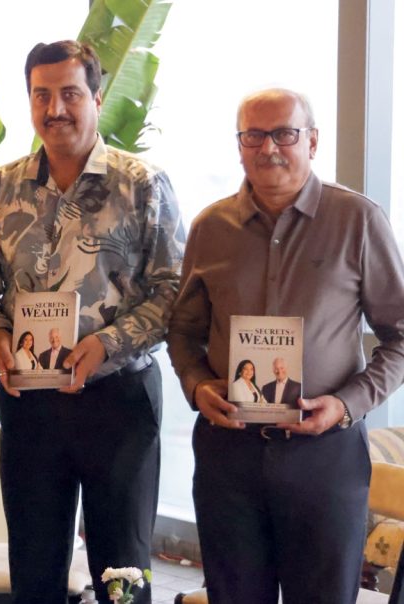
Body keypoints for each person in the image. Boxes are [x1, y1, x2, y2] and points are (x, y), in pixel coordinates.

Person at [0, 41, 184, 603]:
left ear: (97, 98)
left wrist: (106, 344)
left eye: (70, 94)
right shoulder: (0, 188)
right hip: (31, 403)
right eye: (42, 95)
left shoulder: (143, 184)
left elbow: (173, 291)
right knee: (34, 568)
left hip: (118, 399)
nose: (55, 108)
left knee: (123, 574)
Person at [167, 88, 404, 604]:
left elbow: (401, 335)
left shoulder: (358, 220)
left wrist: (347, 404)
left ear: (312, 142)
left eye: (284, 134)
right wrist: (197, 385)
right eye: (253, 135)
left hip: (324, 457)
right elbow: (182, 332)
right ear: (239, 145)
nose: (268, 147)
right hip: (229, 457)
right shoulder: (210, 228)